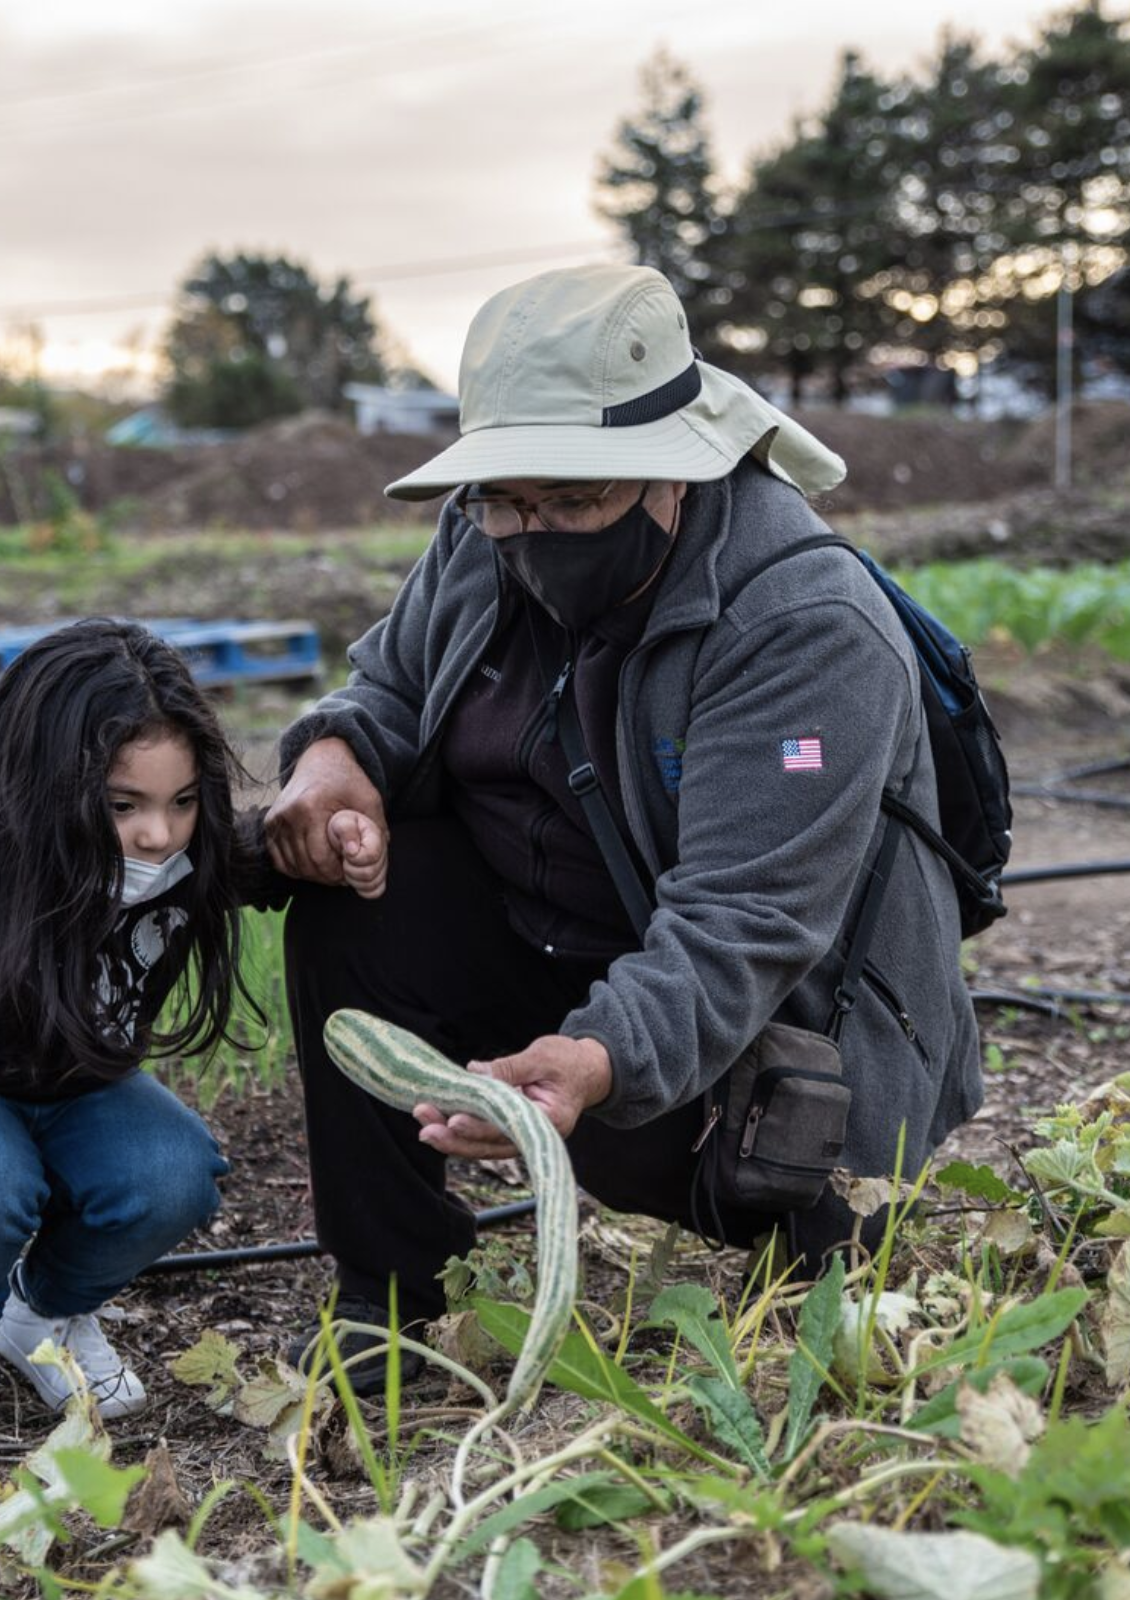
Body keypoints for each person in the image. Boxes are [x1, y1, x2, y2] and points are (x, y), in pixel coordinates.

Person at [265, 265, 983, 1375]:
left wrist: (592, 1058)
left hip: (754, 1029)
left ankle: (802, 1211)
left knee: (816, 1243)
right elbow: (389, 688)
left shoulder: (800, 619)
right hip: (550, 946)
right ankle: (390, 1299)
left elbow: (741, 920)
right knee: (352, 908)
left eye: (573, 502)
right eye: (509, 502)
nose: (534, 530)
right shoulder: (486, 530)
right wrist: (329, 759)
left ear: (671, 473)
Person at [0, 619, 385, 1417]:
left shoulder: (178, 861)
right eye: (121, 805)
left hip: (79, 1086)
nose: (157, 833)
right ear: (37, 789)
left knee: (175, 1174)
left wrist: (329, 836)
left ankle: (42, 1315)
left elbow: (262, 851)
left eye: (181, 802)